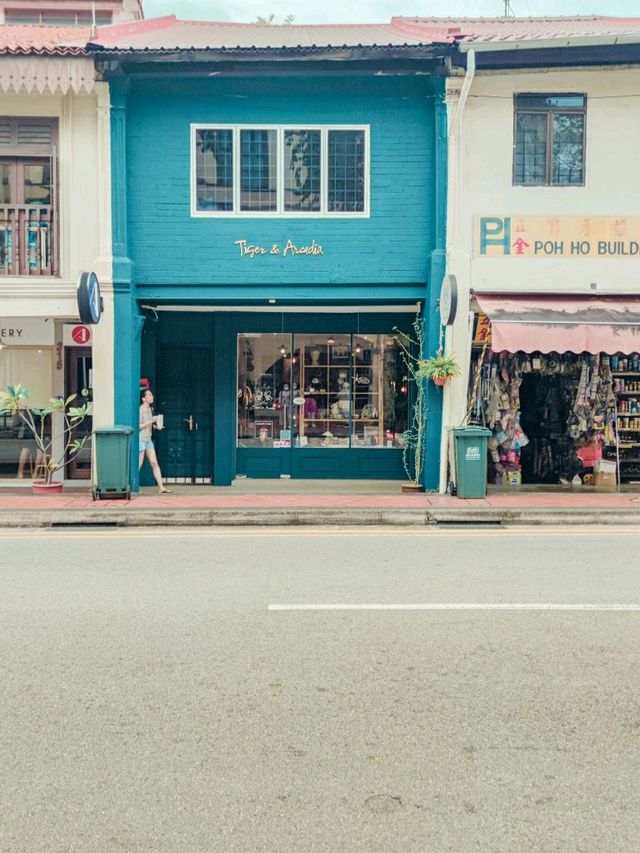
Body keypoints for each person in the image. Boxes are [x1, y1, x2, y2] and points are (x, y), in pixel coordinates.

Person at [139, 388, 171, 494]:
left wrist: (156, 426)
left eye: (151, 395)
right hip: (141, 440)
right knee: (139, 464)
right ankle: (131, 485)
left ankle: (161, 487)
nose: (152, 396)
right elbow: (139, 426)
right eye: (149, 395)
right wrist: (151, 420)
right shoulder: (141, 410)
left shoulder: (150, 409)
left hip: (148, 440)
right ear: (143, 398)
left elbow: (149, 423)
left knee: (154, 462)